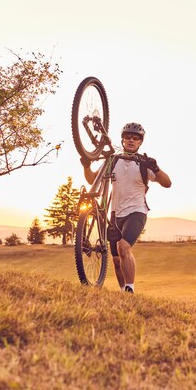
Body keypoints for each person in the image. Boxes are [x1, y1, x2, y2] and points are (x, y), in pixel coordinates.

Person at [80, 122, 171, 293]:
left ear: (140, 142)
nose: (131, 140)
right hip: (115, 215)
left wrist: (156, 168)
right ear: (122, 140)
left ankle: (130, 290)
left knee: (124, 248)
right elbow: (92, 179)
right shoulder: (113, 161)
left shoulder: (144, 163)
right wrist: (86, 165)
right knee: (115, 259)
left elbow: (167, 183)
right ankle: (123, 292)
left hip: (137, 211)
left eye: (135, 138)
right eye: (128, 136)